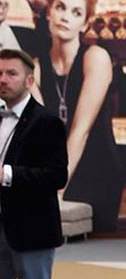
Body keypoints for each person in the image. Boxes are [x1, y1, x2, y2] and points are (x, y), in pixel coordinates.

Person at [37, 0, 123, 231]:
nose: (65, 17)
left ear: (85, 24)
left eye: (76, 13)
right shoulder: (35, 65)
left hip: (97, 174)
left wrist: (57, 188)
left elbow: (80, 132)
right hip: (54, 172)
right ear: (49, 13)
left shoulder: (96, 58)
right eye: (60, 7)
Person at [0, 49, 67, 279]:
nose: (3, 79)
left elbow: (57, 176)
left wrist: (6, 175)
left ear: (29, 81)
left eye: (11, 73)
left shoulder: (47, 122)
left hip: (32, 231)